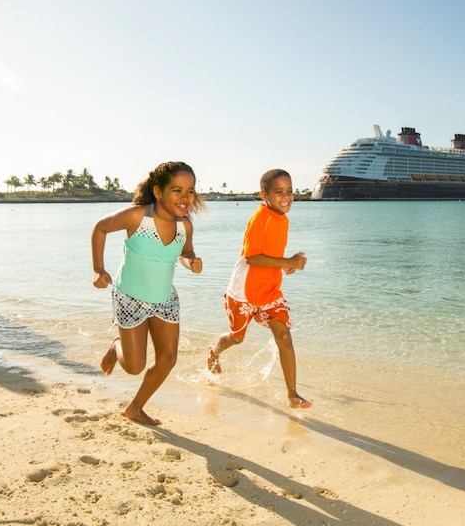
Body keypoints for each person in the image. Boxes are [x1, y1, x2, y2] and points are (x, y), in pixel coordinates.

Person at [91, 161, 204, 426]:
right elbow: (100, 228)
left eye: (190, 190)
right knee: (133, 366)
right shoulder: (137, 216)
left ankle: (135, 408)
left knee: (168, 359)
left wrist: (192, 262)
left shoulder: (185, 226)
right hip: (129, 297)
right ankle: (116, 345)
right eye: (177, 190)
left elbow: (184, 254)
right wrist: (98, 269)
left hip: (164, 300)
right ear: (158, 191)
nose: (185, 197)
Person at [208, 169, 311, 408]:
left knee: (283, 335)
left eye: (289, 191)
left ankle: (293, 395)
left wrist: (284, 265)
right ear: (264, 194)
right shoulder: (259, 218)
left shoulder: (282, 218)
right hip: (244, 290)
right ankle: (214, 352)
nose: (286, 197)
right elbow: (253, 257)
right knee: (236, 338)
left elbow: (269, 253)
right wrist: (287, 262)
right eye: (278, 192)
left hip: (270, 291)